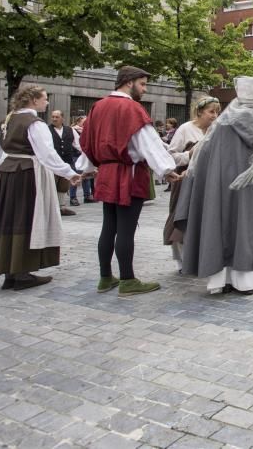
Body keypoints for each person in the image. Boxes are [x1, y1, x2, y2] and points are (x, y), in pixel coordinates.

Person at [0, 84, 81, 290]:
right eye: (44, 98)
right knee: (27, 219)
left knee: (9, 219)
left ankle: (11, 272)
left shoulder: (6, 121)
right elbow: (46, 154)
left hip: (8, 176)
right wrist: (69, 173)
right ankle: (22, 274)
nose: (47, 102)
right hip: (28, 175)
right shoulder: (34, 123)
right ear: (33, 100)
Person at [78, 67, 179, 296]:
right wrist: (167, 169)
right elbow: (148, 142)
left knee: (108, 227)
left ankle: (105, 277)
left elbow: (87, 140)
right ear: (129, 82)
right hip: (127, 173)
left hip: (106, 172)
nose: (144, 89)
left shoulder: (98, 106)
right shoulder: (132, 108)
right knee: (126, 229)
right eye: (142, 84)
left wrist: (87, 168)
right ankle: (127, 279)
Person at [173, 77, 253, 295]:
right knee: (250, 227)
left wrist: (197, 178)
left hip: (223, 186)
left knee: (223, 226)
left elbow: (205, 155)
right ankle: (249, 281)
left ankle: (224, 279)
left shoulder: (223, 122)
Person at [163, 96, 221, 271]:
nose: (215, 116)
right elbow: (170, 156)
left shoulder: (215, 130)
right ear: (199, 112)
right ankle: (181, 259)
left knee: (203, 218)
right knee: (181, 216)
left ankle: (199, 256)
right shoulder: (185, 129)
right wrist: (189, 154)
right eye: (211, 112)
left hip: (207, 181)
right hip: (184, 179)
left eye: (217, 112)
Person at [48, 110, 81, 214]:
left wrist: (86, 156)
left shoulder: (70, 130)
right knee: (51, 185)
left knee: (63, 185)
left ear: (62, 118)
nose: (54, 119)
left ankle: (61, 207)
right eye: (53, 117)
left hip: (67, 162)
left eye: (57, 117)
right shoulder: (46, 130)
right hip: (52, 163)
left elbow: (78, 145)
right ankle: (51, 209)